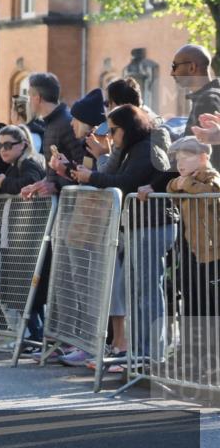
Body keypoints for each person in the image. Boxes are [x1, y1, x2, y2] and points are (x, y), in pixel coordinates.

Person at [72, 104, 178, 366]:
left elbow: (125, 183)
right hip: (140, 225)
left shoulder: (145, 147)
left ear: (128, 128)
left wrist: (91, 177)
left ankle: (151, 355)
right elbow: (121, 177)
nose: (111, 135)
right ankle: (140, 353)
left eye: (114, 130)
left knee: (147, 292)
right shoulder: (134, 148)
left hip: (152, 225)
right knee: (137, 291)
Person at [0, 125, 47, 351]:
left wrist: (3, 183)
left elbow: (27, 185)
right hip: (16, 234)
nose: (2, 149)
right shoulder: (16, 164)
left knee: (21, 289)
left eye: (8, 145)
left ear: (23, 144)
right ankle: (23, 334)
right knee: (11, 286)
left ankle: (28, 337)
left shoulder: (29, 162)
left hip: (26, 235)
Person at [165, 137, 219, 317]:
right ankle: (197, 342)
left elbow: (211, 192)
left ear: (203, 158)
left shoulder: (211, 175)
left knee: (213, 299)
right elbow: (170, 189)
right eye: (178, 159)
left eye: (185, 158)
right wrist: (177, 183)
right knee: (193, 297)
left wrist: (186, 183)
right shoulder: (185, 181)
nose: (179, 164)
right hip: (192, 248)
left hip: (213, 250)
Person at [21, 72, 86, 198]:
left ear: (37, 97)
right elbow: (55, 172)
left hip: (73, 205)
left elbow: (84, 167)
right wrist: (39, 185)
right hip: (62, 205)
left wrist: (56, 186)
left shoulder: (67, 123)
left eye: (29, 95)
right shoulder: (53, 122)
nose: (28, 101)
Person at [172, 45, 220, 170]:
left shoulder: (207, 100)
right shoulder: (210, 96)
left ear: (192, 67)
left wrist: (155, 185)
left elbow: (189, 152)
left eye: (174, 66)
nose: (172, 73)